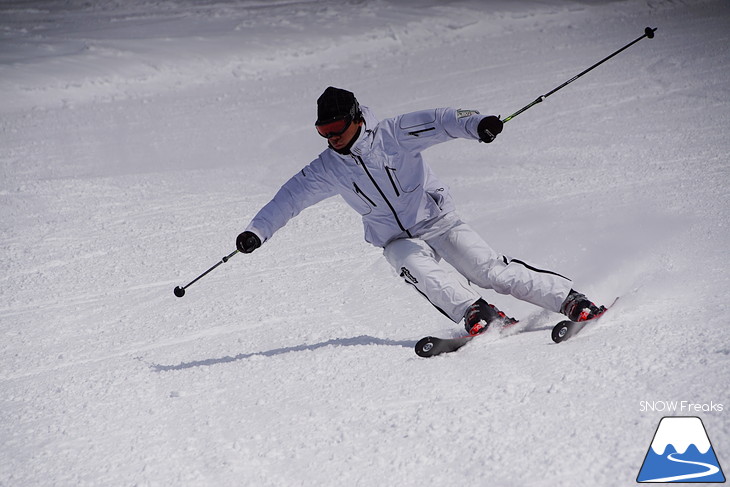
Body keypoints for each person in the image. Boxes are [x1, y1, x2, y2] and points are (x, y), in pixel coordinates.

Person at [236, 87, 605, 335]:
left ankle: (571, 300)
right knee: (407, 262)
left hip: (437, 220)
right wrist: (258, 230)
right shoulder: (329, 167)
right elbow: (288, 198)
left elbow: (444, 119)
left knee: (488, 270)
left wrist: (477, 125)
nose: (331, 138)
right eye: (323, 131)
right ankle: (478, 314)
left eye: (335, 128)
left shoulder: (394, 134)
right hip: (396, 238)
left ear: (356, 119)